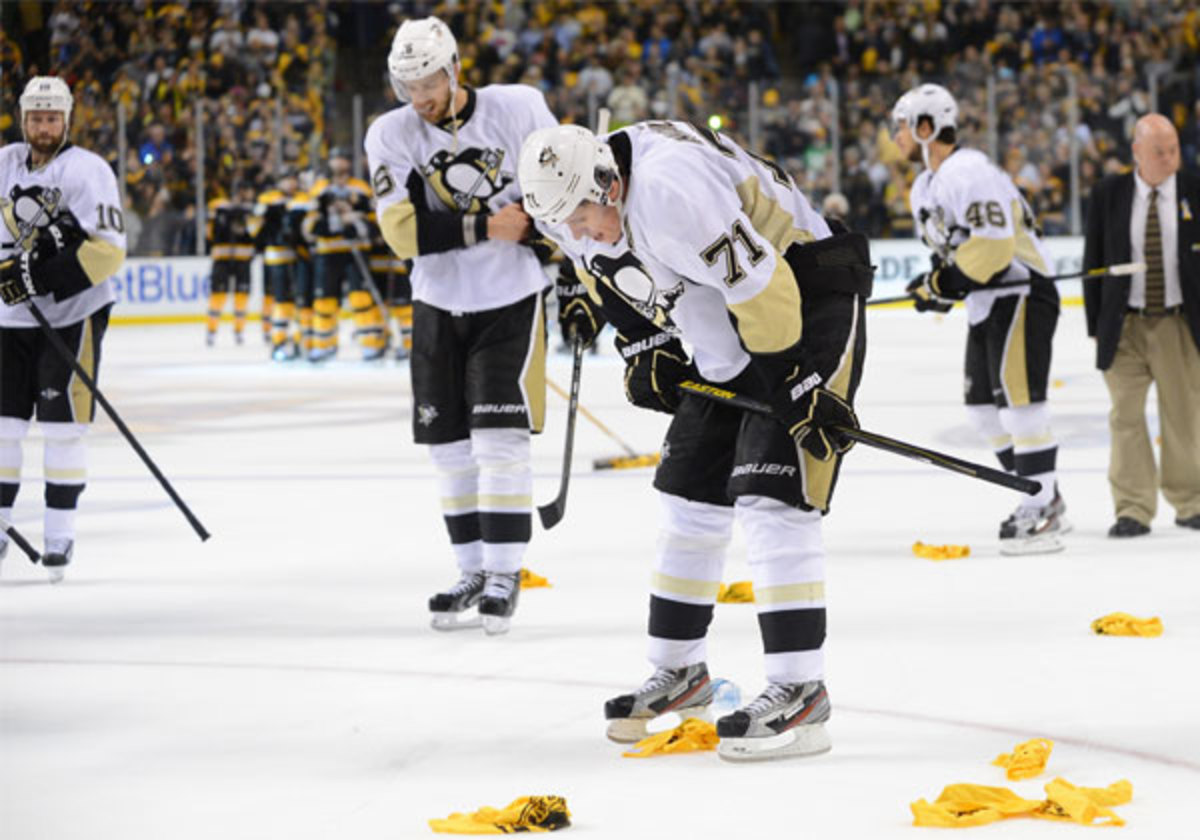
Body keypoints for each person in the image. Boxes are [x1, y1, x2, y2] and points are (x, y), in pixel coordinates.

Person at [518, 119, 872, 761]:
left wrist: (793, 384)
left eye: (579, 215)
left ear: (608, 181)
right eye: (562, 221)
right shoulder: (571, 199)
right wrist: (644, 345)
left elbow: (763, 287)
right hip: (724, 307)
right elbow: (606, 271)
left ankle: (802, 689)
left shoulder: (670, 190)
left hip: (806, 288)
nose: (572, 230)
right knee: (688, 496)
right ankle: (681, 672)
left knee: (773, 497)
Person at [364, 17, 558, 634]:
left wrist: (573, 268)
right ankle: (471, 569)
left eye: (427, 81)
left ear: (454, 70)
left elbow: (564, 187)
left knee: (499, 444)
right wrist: (485, 226)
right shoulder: (389, 134)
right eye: (406, 85)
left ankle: (505, 573)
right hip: (437, 302)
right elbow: (400, 236)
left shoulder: (519, 107)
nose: (418, 98)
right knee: (448, 449)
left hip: (511, 297)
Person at [891, 84, 1069, 555]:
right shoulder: (925, 186)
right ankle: (1042, 491)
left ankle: (1041, 503)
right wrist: (936, 287)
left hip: (1020, 290)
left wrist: (945, 283)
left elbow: (992, 247)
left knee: (1020, 404)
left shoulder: (966, 170)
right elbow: (960, 258)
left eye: (902, 126)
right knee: (982, 411)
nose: (896, 137)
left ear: (926, 128)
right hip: (991, 298)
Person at [0, 76, 126, 582]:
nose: (43, 126)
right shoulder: (5, 162)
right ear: (24, 118)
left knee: (62, 428)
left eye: (52, 118)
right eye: (36, 117)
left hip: (73, 315)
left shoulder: (88, 170)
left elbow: (108, 251)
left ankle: (59, 535)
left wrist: (37, 278)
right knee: (3, 429)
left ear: (66, 120)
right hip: (8, 319)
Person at [1082, 114, 1200, 537]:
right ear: (1136, 152)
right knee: (1125, 418)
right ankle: (1133, 507)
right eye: (1159, 152)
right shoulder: (1109, 193)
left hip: (1178, 324)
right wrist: (1095, 323)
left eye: (1173, 150)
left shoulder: (1194, 190)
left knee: (1184, 417)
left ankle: (1190, 502)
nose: (1170, 159)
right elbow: (1092, 261)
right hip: (1124, 326)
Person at [303, 148, 381, 362]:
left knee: (360, 298)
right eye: (335, 158)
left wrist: (355, 223)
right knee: (324, 301)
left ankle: (370, 345)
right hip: (328, 251)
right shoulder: (320, 188)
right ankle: (323, 345)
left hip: (356, 249)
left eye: (342, 158)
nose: (338, 163)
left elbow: (374, 220)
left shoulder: (361, 187)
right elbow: (310, 224)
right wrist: (332, 225)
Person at [204, 183, 257, 346]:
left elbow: (255, 233)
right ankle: (211, 331)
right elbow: (210, 233)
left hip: (243, 258)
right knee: (218, 294)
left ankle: (239, 331)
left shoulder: (252, 211)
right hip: (222, 257)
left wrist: (245, 218)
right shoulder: (218, 208)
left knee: (241, 295)